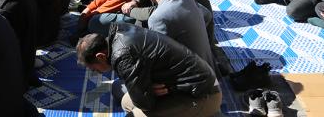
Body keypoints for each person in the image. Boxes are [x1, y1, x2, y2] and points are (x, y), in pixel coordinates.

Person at [77, 24, 221, 117]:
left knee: (135, 114)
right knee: (127, 102)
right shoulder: (119, 35)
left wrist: (146, 91)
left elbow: (145, 104)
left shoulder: (123, 56)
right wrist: (146, 89)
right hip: (188, 86)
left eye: (94, 68)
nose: (96, 72)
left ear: (101, 56)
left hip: (203, 94)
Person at [145, 0, 216, 71]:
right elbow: (208, 16)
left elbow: (160, 57)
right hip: (209, 68)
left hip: (193, 76)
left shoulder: (157, 18)